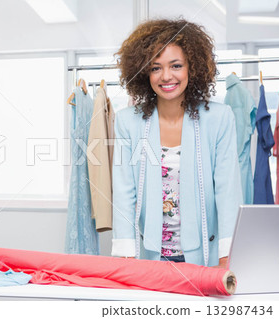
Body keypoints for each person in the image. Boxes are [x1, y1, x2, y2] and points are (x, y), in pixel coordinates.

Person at [111, 18, 242, 267]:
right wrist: (126, 258)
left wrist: (227, 257)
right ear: (143, 72)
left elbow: (227, 191)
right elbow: (124, 192)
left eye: (176, 65)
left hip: (206, 256)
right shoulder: (127, 121)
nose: (166, 76)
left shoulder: (219, 118)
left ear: (192, 68)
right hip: (148, 256)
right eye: (155, 67)